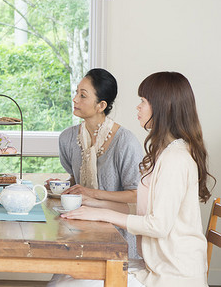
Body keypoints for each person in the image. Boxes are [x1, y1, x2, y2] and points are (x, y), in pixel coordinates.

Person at [52, 71, 215, 286]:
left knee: (68, 283)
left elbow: (158, 225)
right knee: (65, 275)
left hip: (173, 275)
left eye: (143, 101)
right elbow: (143, 211)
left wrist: (103, 213)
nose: (138, 107)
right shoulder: (164, 152)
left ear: (162, 107)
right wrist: (94, 204)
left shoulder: (176, 158)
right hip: (155, 265)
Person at [48, 68, 144, 258]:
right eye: (76, 92)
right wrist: (61, 187)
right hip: (78, 229)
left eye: (82, 95)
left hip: (118, 239)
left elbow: (136, 196)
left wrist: (91, 193)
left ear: (101, 105)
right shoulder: (67, 138)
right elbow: (77, 181)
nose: (75, 99)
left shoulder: (125, 142)